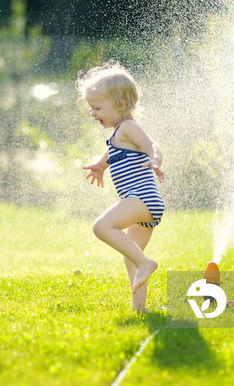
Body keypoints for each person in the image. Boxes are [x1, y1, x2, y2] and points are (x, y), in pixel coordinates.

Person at [77, 62, 165, 311]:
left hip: (141, 198)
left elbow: (153, 146)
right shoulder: (118, 134)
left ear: (120, 105)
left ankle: (146, 263)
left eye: (96, 108)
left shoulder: (128, 127)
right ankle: (140, 309)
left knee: (101, 226)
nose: (93, 114)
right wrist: (99, 166)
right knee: (131, 259)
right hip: (145, 205)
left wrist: (155, 161)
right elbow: (111, 152)